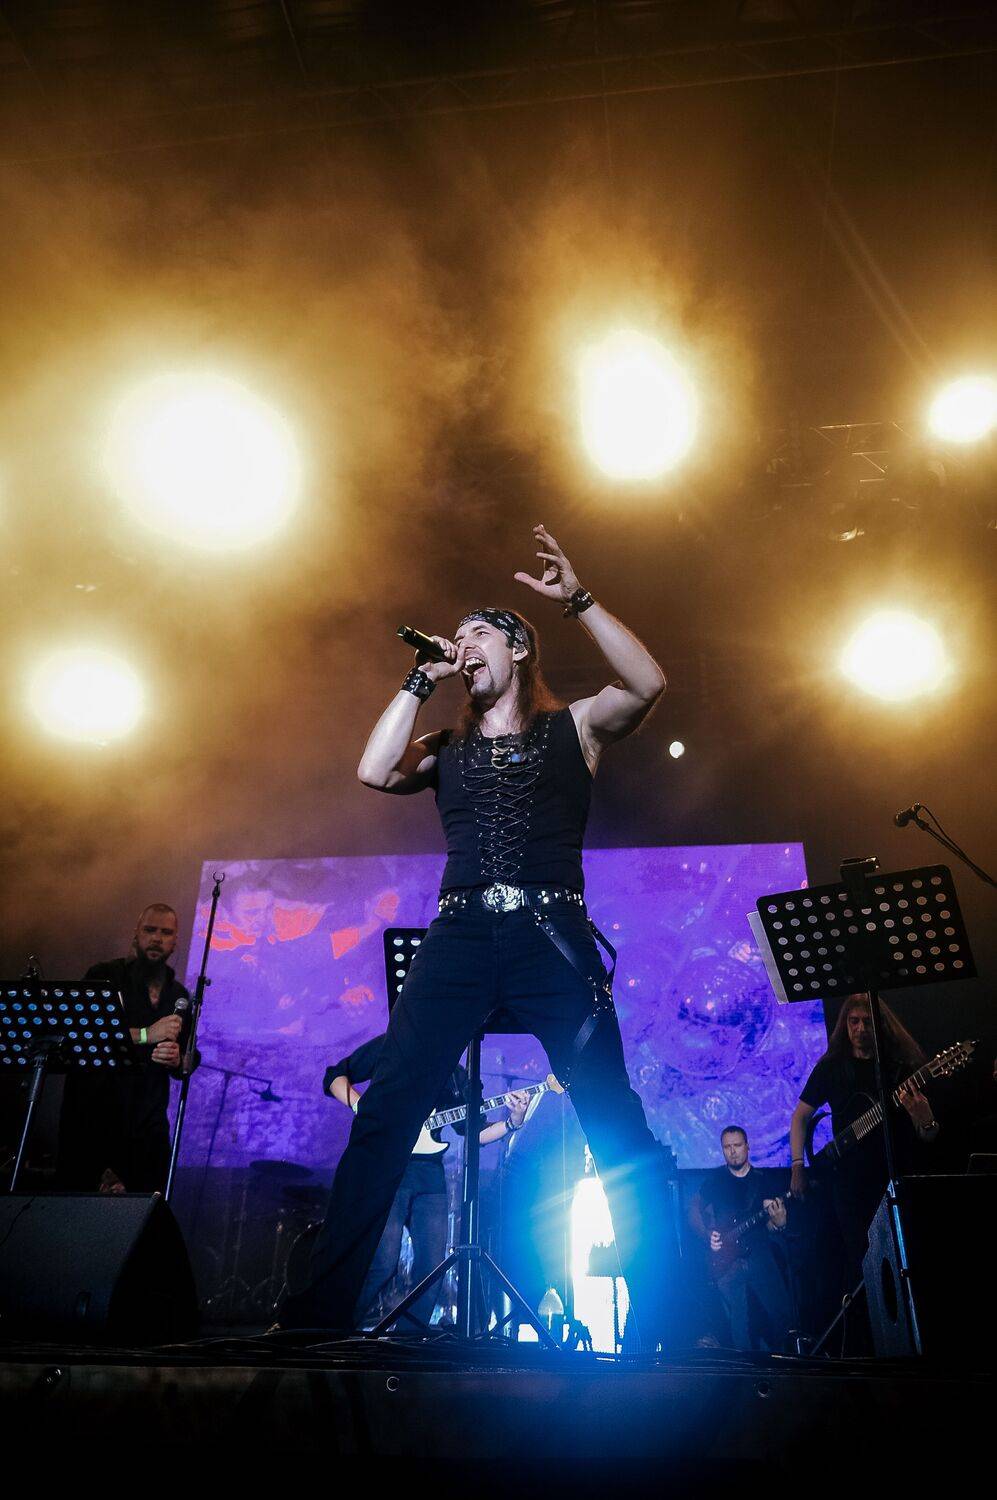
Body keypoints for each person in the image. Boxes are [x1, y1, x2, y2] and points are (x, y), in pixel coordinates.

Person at [281, 523, 670, 1347]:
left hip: (550, 934)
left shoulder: (575, 727)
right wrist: (417, 679)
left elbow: (647, 682)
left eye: (478, 635)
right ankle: (316, 1316)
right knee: (386, 1114)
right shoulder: (445, 743)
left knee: (611, 1116)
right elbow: (372, 770)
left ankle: (673, 1317)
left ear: (518, 648)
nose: (462, 647)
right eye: (455, 639)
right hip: (457, 935)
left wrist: (579, 600)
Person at [324, 1033, 529, 1327]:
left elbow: (475, 1133)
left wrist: (513, 1121)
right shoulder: (393, 1046)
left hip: (430, 1176)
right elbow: (335, 1077)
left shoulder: (457, 1077)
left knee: (432, 1270)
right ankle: (336, 1328)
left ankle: (406, 1340)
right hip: (389, 1170)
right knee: (382, 1263)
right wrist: (364, 1107)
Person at [789, 993, 939, 1285]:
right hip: (849, 1185)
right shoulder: (831, 1067)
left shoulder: (899, 1068)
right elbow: (800, 1117)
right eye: (853, 1021)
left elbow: (928, 1135)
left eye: (867, 1022)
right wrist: (797, 1165)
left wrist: (926, 1118)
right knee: (861, 1261)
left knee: (905, 1258)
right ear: (844, 1024)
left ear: (880, 1025)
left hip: (894, 1178)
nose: (860, 1029)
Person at [58, 903, 194, 1194]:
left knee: (145, 1204)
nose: (156, 938)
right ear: (136, 933)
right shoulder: (105, 976)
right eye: (150, 930)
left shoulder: (179, 995)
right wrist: (146, 1034)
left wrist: (178, 1060)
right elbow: (80, 1033)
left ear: (175, 941)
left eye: (165, 932)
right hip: (94, 1117)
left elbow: (186, 1059)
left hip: (148, 1125)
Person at [689, 1125, 792, 1352]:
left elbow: (772, 1226)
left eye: (737, 1145)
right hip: (727, 1263)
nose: (733, 1151)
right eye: (727, 1147)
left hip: (759, 1256)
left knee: (781, 1315)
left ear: (747, 1146)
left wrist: (780, 1222)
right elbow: (694, 1208)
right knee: (738, 1328)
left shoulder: (763, 1180)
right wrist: (707, 1235)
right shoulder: (716, 1180)